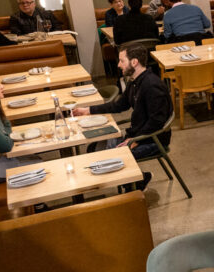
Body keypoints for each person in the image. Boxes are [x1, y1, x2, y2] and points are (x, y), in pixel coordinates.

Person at [73, 43, 174, 191]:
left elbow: (156, 122)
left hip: (153, 140)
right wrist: (87, 110)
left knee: (111, 158)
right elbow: (119, 105)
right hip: (138, 135)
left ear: (134, 62)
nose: (119, 65)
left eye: (122, 61)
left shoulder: (152, 86)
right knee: (94, 148)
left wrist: (134, 141)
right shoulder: (135, 82)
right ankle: (134, 182)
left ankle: (136, 185)